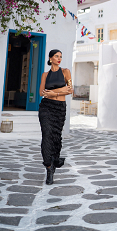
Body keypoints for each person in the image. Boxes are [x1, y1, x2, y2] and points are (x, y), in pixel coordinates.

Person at [38, 49, 73, 185]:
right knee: (46, 134)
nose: (59, 59)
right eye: (56, 56)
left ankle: (54, 162)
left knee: (56, 136)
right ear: (50, 58)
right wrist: (60, 91)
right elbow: (42, 92)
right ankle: (48, 165)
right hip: (46, 107)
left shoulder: (65, 72)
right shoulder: (45, 75)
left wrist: (53, 93)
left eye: (61, 56)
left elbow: (70, 90)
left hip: (59, 109)